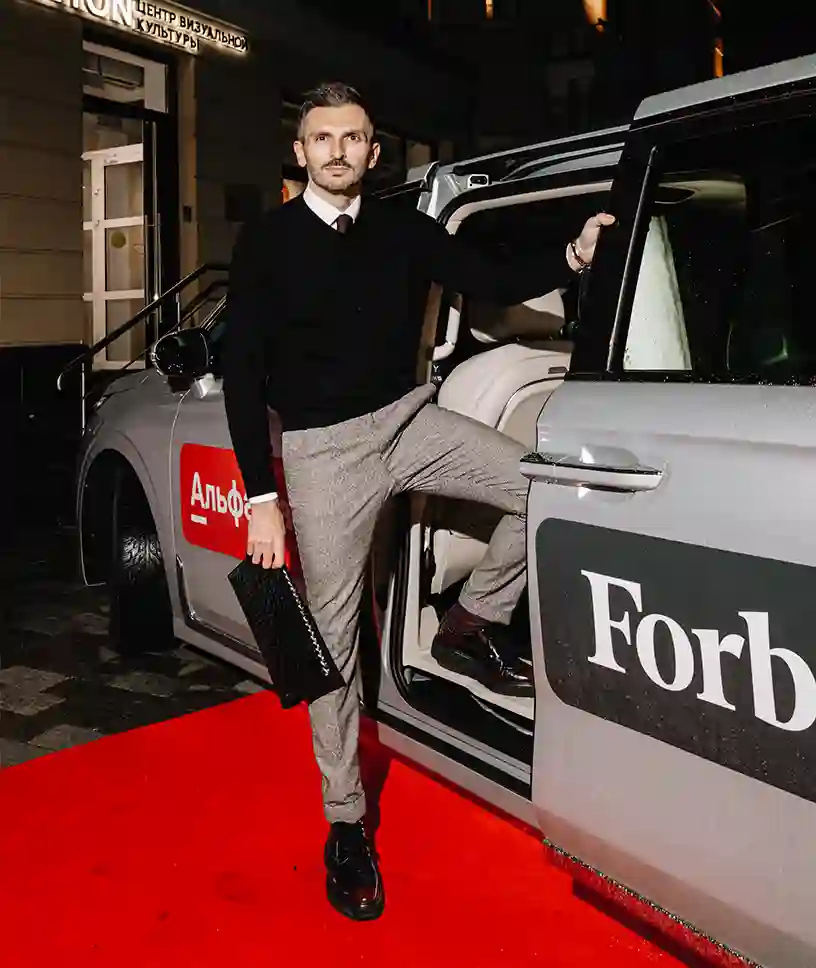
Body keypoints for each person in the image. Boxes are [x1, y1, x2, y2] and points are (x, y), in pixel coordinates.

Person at [221, 82, 614, 922]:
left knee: (540, 487)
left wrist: (575, 255)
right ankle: (345, 823)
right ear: (300, 151)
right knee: (330, 646)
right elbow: (243, 372)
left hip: (409, 421)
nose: (337, 150)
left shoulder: (402, 228)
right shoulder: (267, 242)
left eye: (352, 138)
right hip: (323, 452)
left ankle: (468, 623)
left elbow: (492, 276)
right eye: (322, 137)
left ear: (373, 151)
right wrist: (261, 496)